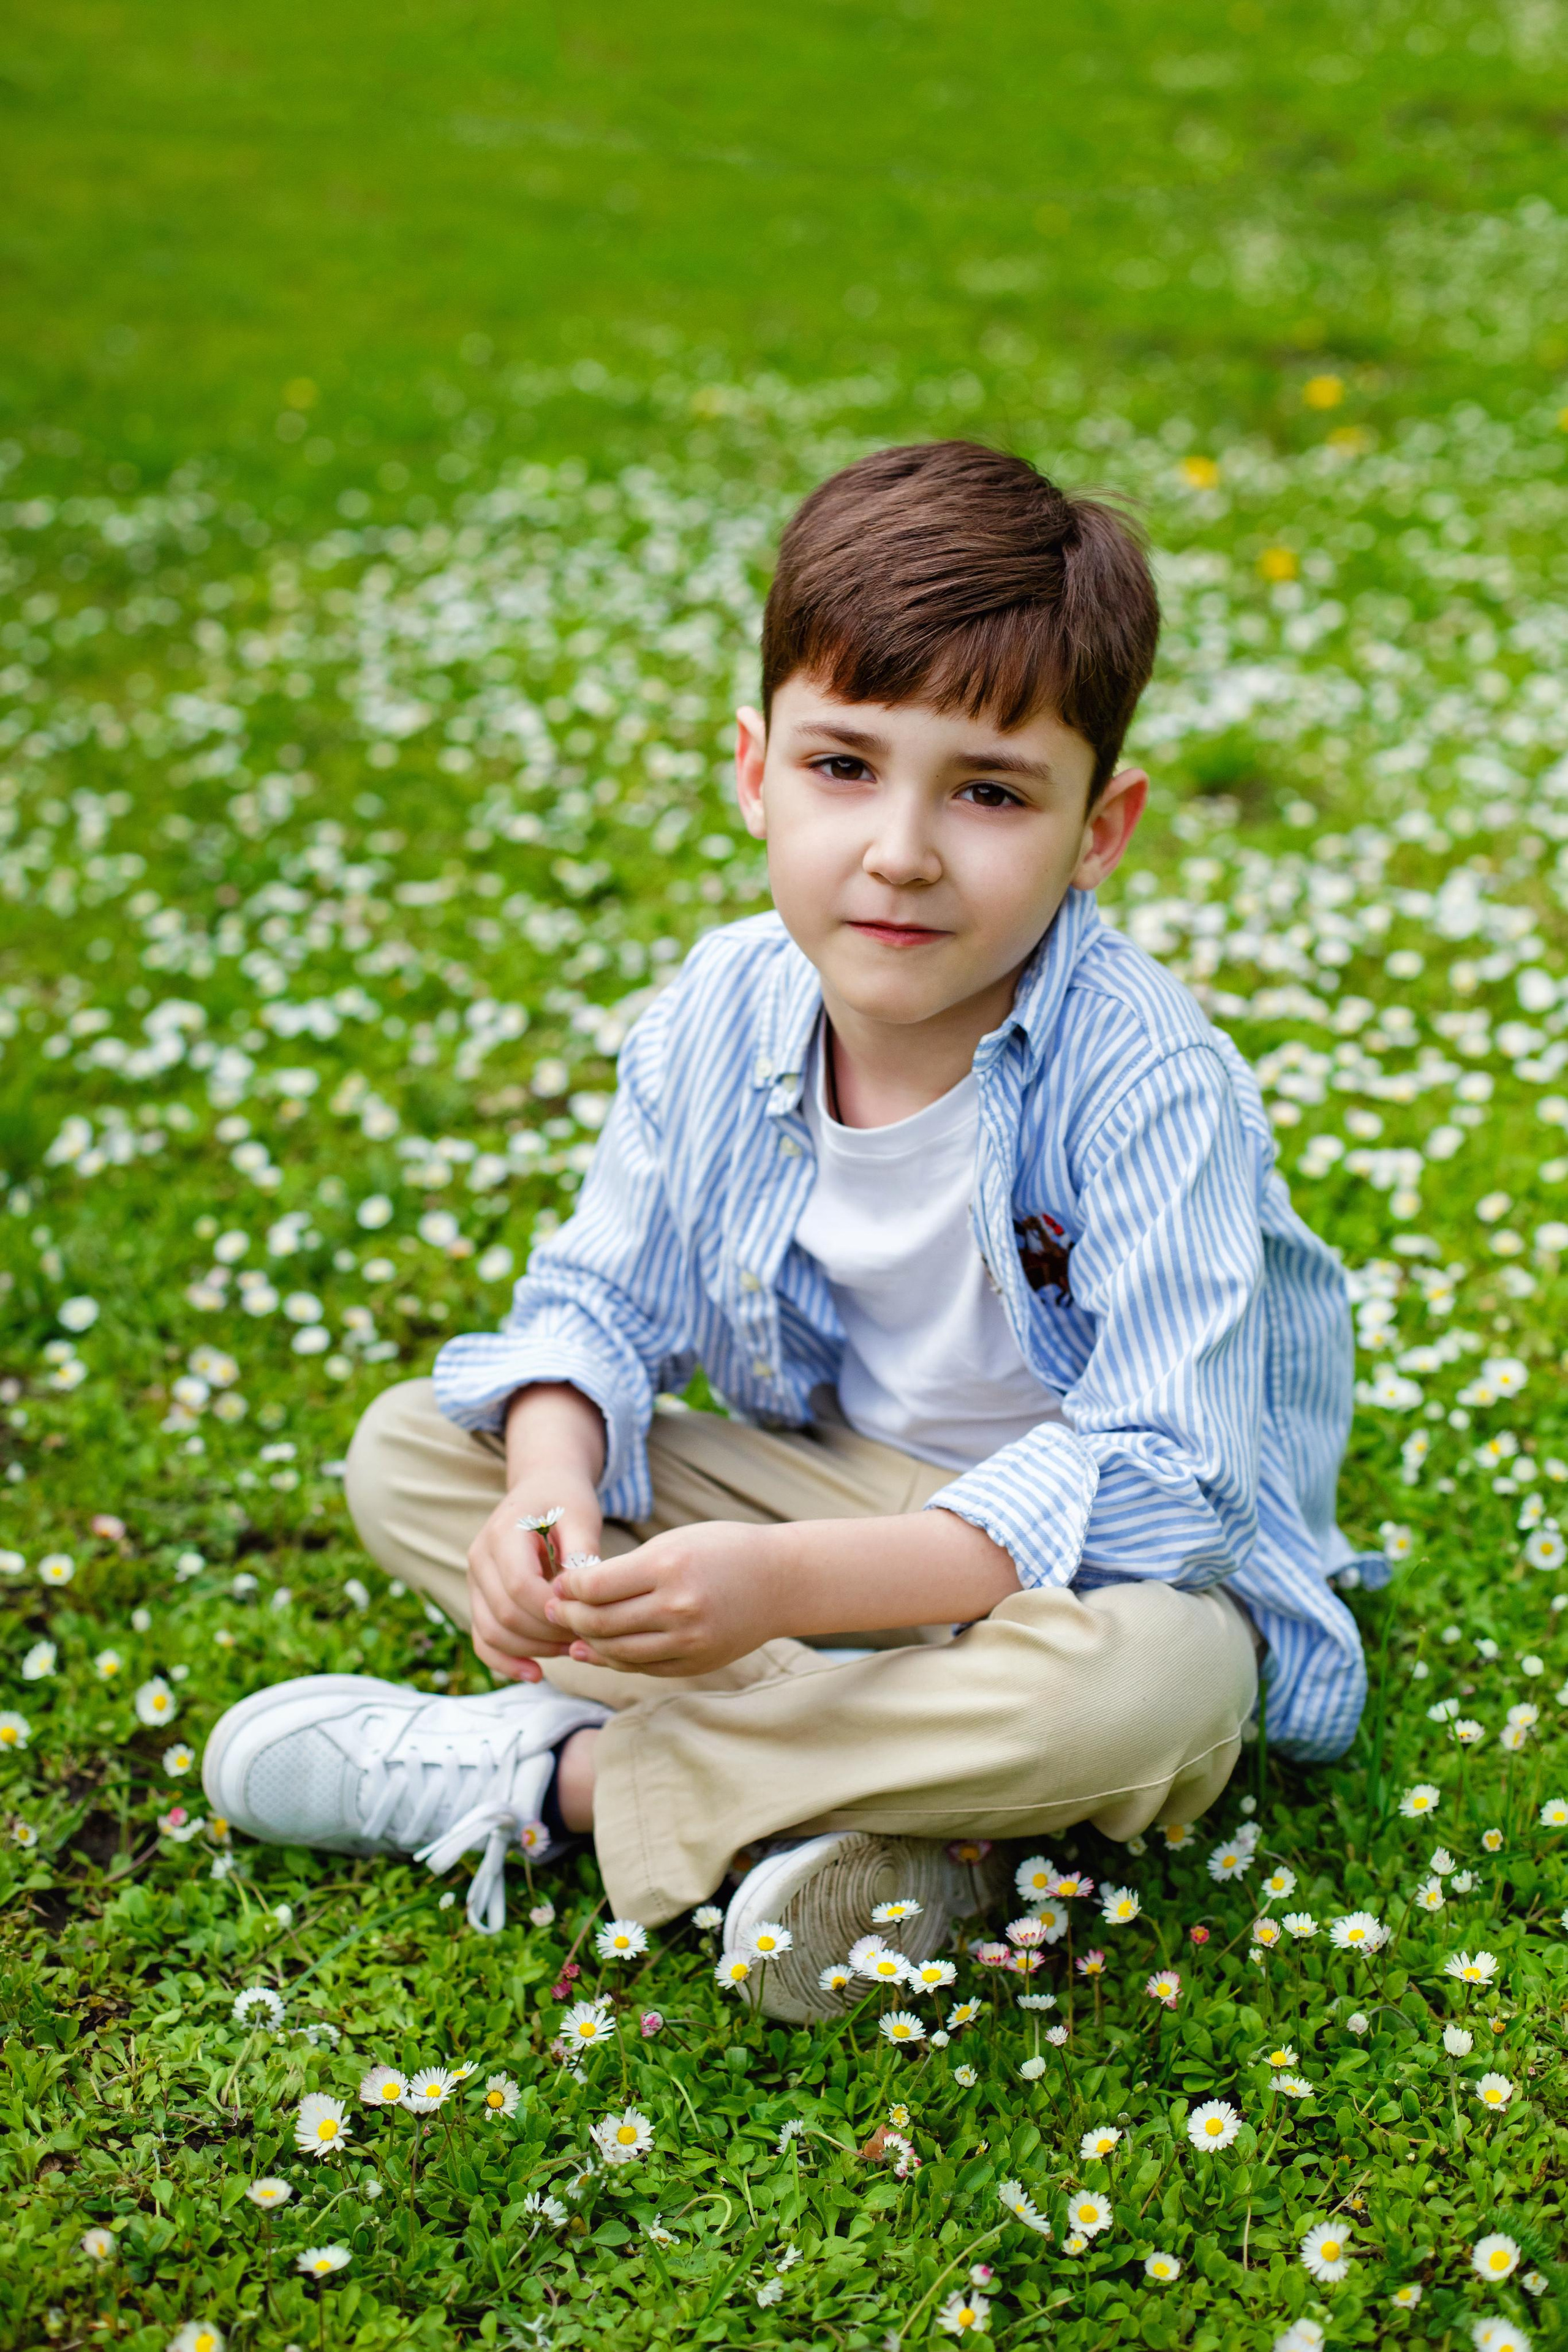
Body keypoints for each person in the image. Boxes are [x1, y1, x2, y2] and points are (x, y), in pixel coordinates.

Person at [203, 441, 1371, 2014]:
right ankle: (908, 1802)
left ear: (1100, 828)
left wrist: (782, 1593)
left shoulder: (1151, 1083)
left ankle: (567, 1779)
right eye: (844, 766)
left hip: (1080, 1579)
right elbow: (596, 1300)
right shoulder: (717, 1008)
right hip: (824, 1499)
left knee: (1164, 1688)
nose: (899, 849)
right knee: (416, 1446)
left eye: (987, 791)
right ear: (753, 767)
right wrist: (549, 1492)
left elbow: (1177, 1483)